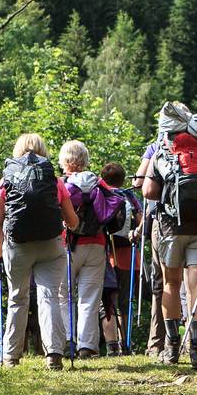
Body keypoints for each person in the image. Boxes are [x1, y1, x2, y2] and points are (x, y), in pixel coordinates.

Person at [0, 133, 79, 371]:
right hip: (51, 244)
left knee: (18, 298)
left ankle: (10, 356)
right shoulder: (54, 180)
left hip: (17, 245)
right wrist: (67, 224)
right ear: (43, 151)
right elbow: (72, 221)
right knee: (49, 296)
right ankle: (54, 354)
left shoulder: (6, 179)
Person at [144, 115, 197, 370]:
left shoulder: (163, 151)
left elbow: (148, 192)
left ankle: (172, 347)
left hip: (169, 228)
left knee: (170, 284)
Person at [60, 140, 123, 360]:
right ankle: (86, 346)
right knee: (90, 297)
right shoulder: (98, 183)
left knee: (64, 295)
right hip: (97, 244)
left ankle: (67, 341)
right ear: (85, 160)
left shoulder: (61, 184)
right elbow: (117, 203)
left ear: (66, 161)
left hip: (68, 245)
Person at [100, 162, 141, 356]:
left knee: (108, 301)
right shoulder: (129, 196)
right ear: (123, 179)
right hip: (130, 256)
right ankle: (127, 344)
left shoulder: (101, 195)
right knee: (126, 302)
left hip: (106, 255)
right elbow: (141, 222)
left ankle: (112, 346)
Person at [135, 142, 166, 357]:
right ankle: (194, 343)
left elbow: (139, 182)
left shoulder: (156, 146)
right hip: (196, 221)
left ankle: (157, 343)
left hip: (163, 220)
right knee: (192, 283)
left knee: (162, 283)